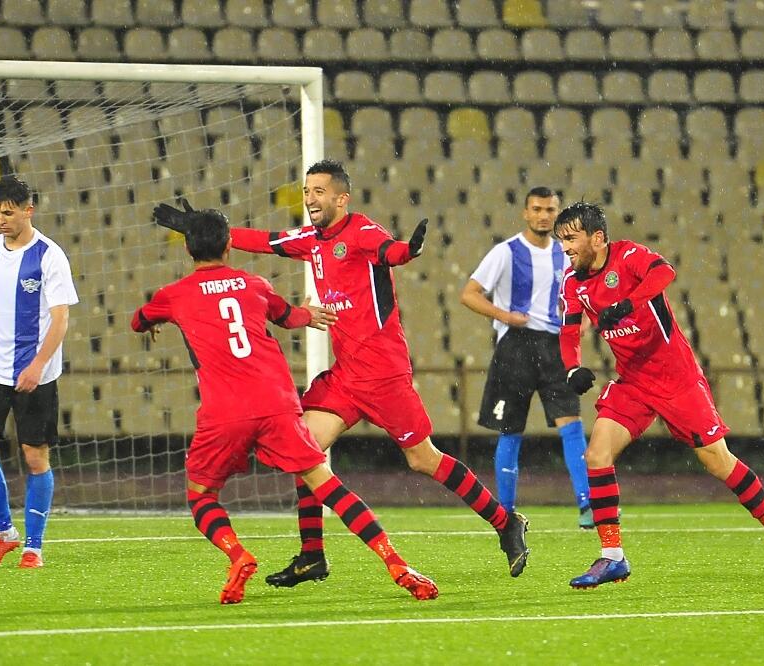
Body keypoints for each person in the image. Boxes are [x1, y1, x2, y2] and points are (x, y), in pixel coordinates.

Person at [155, 160, 530, 587]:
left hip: (385, 374)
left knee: (423, 459)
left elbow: (390, 251)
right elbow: (265, 241)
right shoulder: (311, 240)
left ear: (341, 198)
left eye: (318, 191)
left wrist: (409, 251)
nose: (310, 199)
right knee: (306, 451)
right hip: (346, 376)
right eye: (307, 191)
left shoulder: (362, 232)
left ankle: (504, 522)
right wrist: (202, 231)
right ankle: (313, 555)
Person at [132, 204, 438, 604]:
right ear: (229, 246)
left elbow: (138, 320)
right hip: (278, 404)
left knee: (201, 493)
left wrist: (152, 321)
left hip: (225, 412)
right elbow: (289, 316)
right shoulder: (255, 285)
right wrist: (309, 314)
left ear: (188, 250)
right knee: (325, 483)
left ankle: (238, 554)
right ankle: (396, 563)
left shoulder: (173, 295)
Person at [554, 201, 764, 591]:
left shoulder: (629, 256)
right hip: (633, 381)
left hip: (677, 379)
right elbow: (570, 330)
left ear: (598, 237)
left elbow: (664, 272)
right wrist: (572, 367)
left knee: (719, 462)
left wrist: (627, 303)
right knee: (597, 454)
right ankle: (613, 556)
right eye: (561, 240)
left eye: (571, 238)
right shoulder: (573, 283)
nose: (565, 246)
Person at [460, 186, 592, 529]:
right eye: (537, 209)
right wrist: (504, 316)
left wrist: (579, 326)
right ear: (525, 212)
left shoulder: (564, 256)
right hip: (515, 347)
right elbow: (469, 295)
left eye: (550, 210)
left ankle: (587, 505)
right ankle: (505, 512)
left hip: (553, 346)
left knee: (571, 425)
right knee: (510, 430)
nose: (543, 216)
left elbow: (580, 295)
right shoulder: (505, 253)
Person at [0, 175, 79, 569]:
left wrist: (36, 365)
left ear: (28, 210)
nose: (1, 220)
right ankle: (4, 534)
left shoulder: (50, 255)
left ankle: (34, 546)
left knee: (35, 459)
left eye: (8, 213)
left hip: (36, 375)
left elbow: (61, 318)